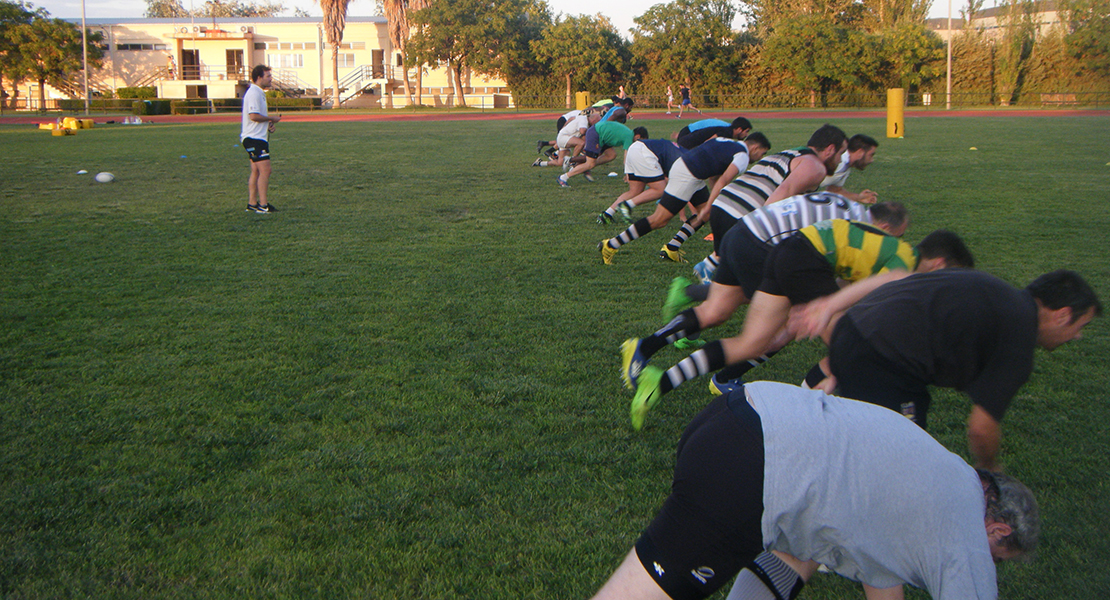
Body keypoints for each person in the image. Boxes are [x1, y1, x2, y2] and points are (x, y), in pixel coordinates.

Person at [588, 381, 1040, 600]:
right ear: (998, 529)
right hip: (756, 466)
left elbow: (876, 577)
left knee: (795, 547)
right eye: (997, 558)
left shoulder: (936, 481)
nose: (990, 564)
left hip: (739, 415)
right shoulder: (964, 533)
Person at [626, 214, 965, 431]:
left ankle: (660, 381)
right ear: (937, 265)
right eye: (951, 278)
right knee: (854, 350)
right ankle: (799, 424)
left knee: (753, 343)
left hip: (790, 251)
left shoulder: (892, 249)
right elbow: (873, 291)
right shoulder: (903, 266)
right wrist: (830, 307)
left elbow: (850, 276)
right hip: (805, 258)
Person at [793, 268, 1101, 472]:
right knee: (899, 460)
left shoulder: (994, 291)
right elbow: (981, 428)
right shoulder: (1019, 336)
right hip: (881, 359)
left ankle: (821, 429)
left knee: (874, 441)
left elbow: (899, 279)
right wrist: (989, 467)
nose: (1078, 337)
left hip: (855, 330)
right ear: (1062, 315)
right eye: (1080, 326)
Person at [689, 124, 848, 283]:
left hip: (722, 206)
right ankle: (699, 292)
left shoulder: (792, 152)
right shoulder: (815, 166)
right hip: (741, 215)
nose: (840, 160)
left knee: (734, 269)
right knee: (770, 283)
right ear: (830, 149)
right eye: (841, 153)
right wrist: (760, 233)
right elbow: (782, 194)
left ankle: (708, 266)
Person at [597, 132, 771, 264]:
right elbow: (723, 181)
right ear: (755, 148)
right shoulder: (743, 156)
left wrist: (709, 205)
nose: (759, 158)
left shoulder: (728, 142)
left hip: (689, 170)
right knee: (659, 220)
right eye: (761, 154)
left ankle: (672, 247)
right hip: (687, 175)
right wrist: (711, 204)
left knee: (705, 212)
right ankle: (611, 244)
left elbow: (714, 176)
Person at [597, 136, 686, 225]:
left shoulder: (684, 154)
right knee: (660, 190)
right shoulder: (686, 162)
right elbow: (679, 186)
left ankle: (606, 214)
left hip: (635, 148)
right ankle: (627, 205)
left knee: (635, 191)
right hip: (645, 152)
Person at [241, 64, 281, 213]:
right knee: (265, 171)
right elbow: (254, 116)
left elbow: (258, 117)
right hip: (254, 139)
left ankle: (252, 204)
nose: (271, 79)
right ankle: (263, 206)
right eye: (268, 76)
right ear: (259, 77)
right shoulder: (254, 93)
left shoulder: (258, 93)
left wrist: (268, 124)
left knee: (256, 171)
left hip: (255, 137)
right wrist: (272, 118)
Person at [558, 112, 635, 188]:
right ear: (638, 136)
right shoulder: (629, 137)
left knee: (611, 155)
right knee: (590, 164)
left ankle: (581, 165)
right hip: (596, 134)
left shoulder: (629, 133)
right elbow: (626, 158)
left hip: (602, 136)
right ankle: (563, 177)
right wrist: (628, 175)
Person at [818, 133, 880, 203]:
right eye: (871, 155)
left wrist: (858, 197)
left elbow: (834, 191)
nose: (872, 160)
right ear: (860, 152)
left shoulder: (846, 165)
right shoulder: (838, 162)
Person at [675, 116, 751, 150]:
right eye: (746, 131)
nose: (747, 135)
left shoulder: (726, 129)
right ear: (739, 129)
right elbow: (708, 142)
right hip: (687, 142)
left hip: (687, 138)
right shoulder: (727, 132)